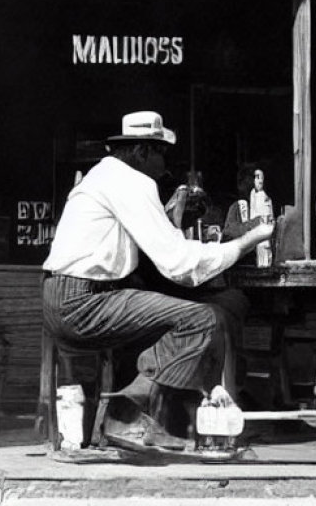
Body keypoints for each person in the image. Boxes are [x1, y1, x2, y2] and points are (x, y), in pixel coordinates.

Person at [42, 111, 273, 451]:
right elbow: (178, 263)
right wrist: (242, 244)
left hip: (61, 295)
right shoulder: (131, 181)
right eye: (161, 153)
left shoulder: (103, 175)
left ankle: (168, 420)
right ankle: (125, 415)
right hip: (83, 301)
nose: (165, 164)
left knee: (170, 321)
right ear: (142, 153)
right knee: (202, 319)